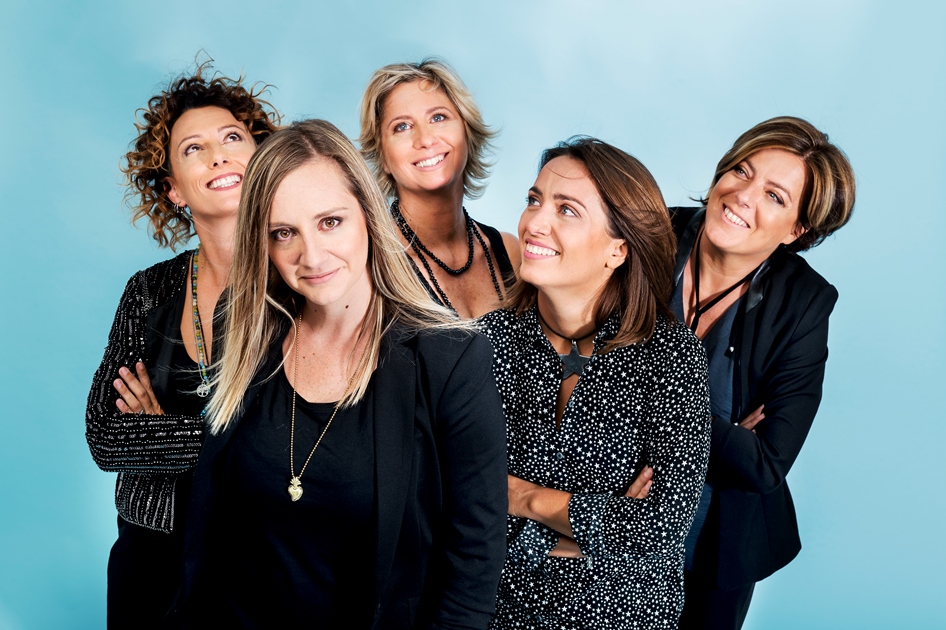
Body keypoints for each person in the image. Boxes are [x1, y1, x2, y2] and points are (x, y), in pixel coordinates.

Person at [166, 119, 508, 628]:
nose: (311, 255)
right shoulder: (243, 328)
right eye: (284, 233)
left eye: (330, 222)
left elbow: (473, 568)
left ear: (368, 214)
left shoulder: (450, 358)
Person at [480, 137, 711, 629]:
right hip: (492, 614)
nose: (534, 223)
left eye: (567, 210)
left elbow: (660, 528)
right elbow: (449, 496)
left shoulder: (670, 355)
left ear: (617, 250)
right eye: (534, 200)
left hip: (622, 617)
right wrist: (595, 527)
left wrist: (521, 498)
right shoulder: (486, 342)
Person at [84, 64, 280, 628]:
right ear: (173, 188)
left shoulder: (303, 279)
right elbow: (106, 436)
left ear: (263, 159)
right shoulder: (149, 290)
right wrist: (235, 443)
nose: (218, 156)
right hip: (149, 557)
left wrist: (161, 428)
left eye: (232, 138)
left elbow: (304, 441)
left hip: (261, 555)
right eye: (194, 148)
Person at [670, 116, 856, 629]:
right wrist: (725, 433)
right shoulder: (644, 235)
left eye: (774, 196)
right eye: (742, 171)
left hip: (713, 542)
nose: (742, 196)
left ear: (797, 230)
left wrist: (641, 404)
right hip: (599, 511)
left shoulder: (804, 303)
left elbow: (765, 463)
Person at [359, 58, 519, 318]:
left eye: (438, 117)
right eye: (402, 127)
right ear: (383, 156)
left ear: (466, 130)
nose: (425, 139)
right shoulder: (371, 267)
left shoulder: (511, 252)